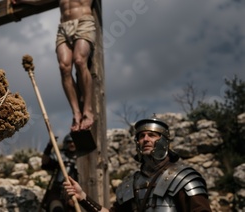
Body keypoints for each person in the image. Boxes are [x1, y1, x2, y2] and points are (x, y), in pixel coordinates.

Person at [63, 117, 211, 211]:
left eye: (152, 135)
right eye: (141, 136)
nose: (145, 139)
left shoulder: (183, 178)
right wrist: (82, 196)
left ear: (164, 141)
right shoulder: (131, 183)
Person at [11, 0, 96, 132]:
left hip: (83, 22)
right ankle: (76, 112)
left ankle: (87, 110)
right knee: (64, 67)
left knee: (79, 61)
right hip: (63, 27)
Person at [41, 134, 79, 212]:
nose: (72, 144)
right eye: (69, 142)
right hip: (57, 192)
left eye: (74, 142)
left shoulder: (82, 160)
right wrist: (49, 146)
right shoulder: (60, 156)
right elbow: (45, 162)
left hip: (74, 193)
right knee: (56, 209)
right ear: (66, 143)